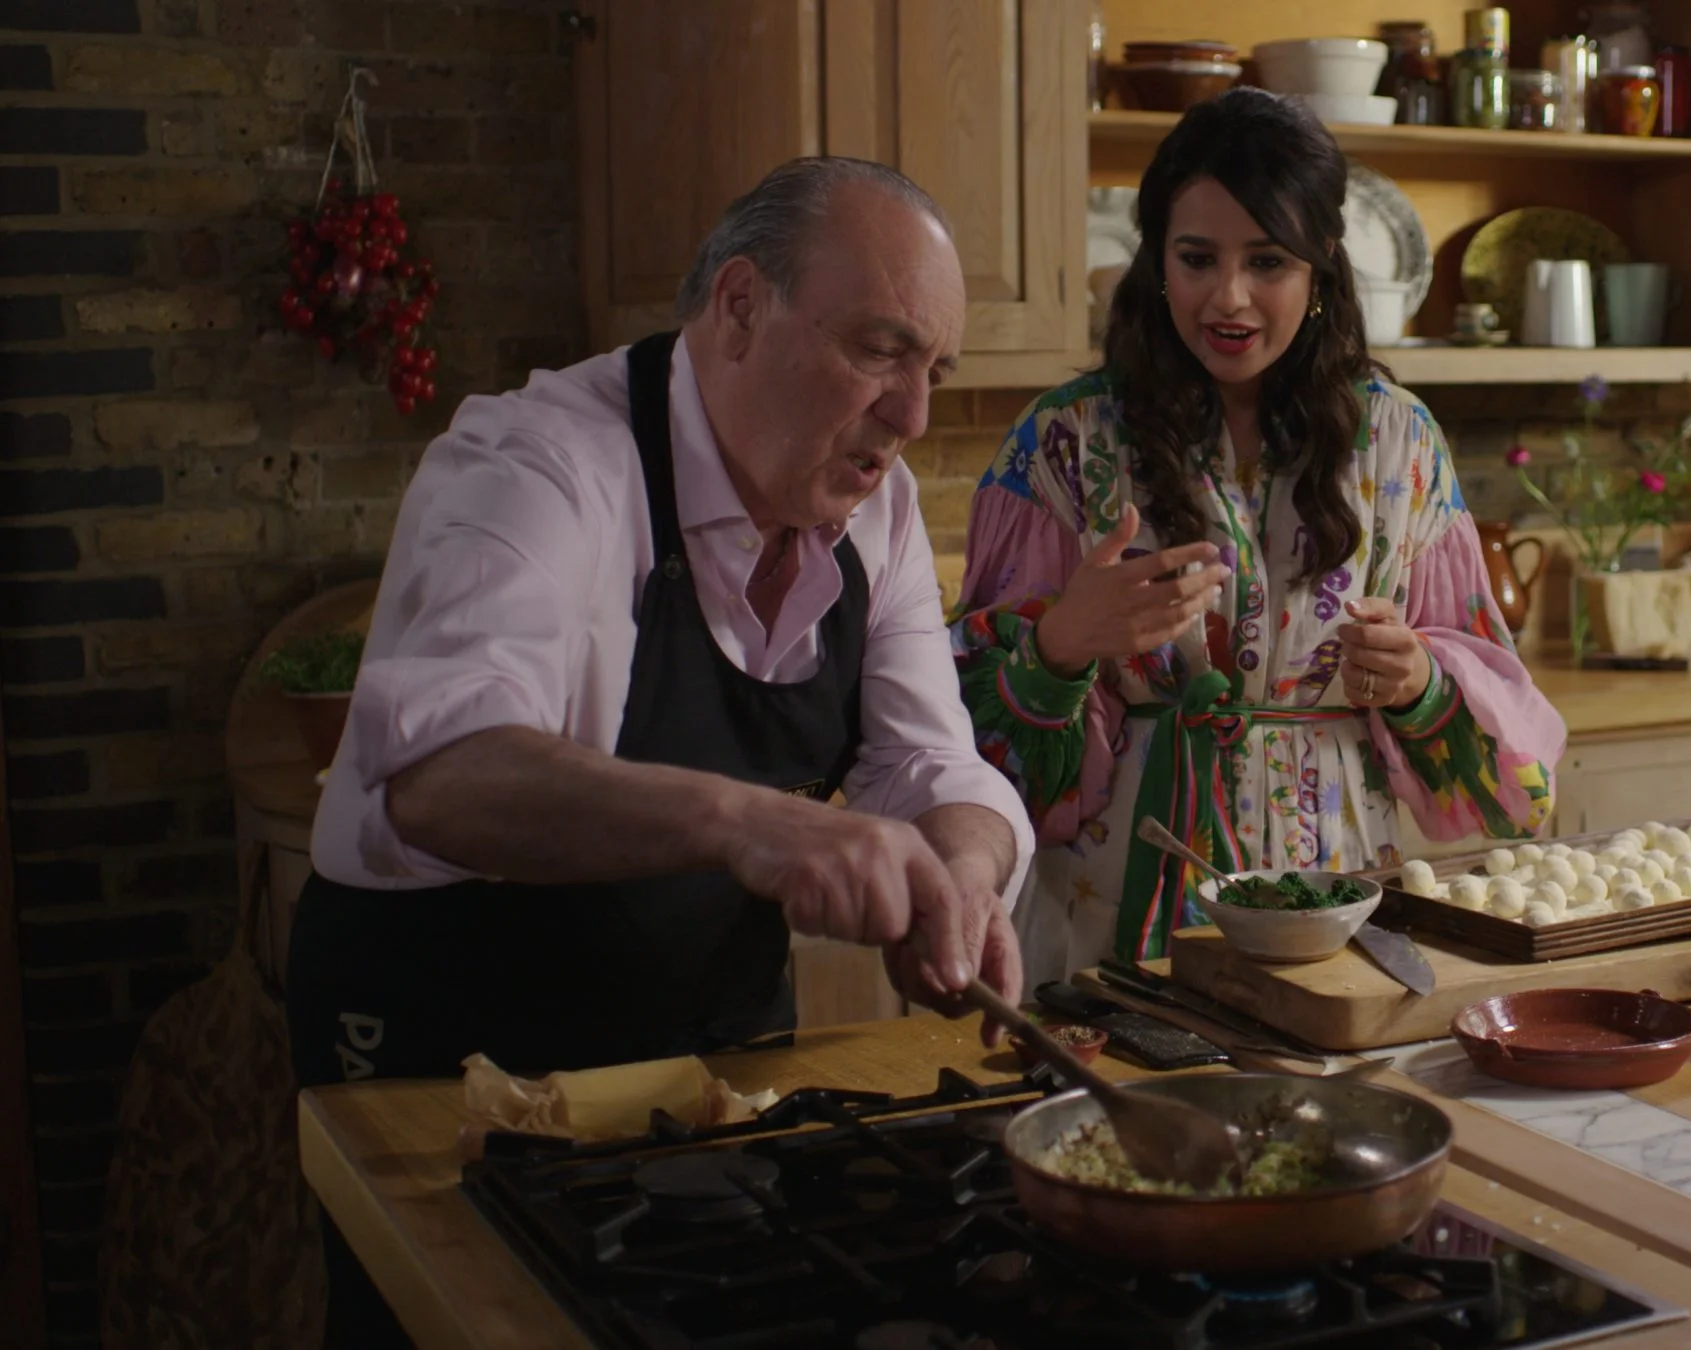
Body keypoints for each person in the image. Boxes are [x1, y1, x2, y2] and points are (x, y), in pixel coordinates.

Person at [288, 158, 1032, 1342]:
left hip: (708, 1049)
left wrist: (965, 879)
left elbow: (929, 764)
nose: (913, 417)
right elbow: (444, 776)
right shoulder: (535, 464)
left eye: (932, 370)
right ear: (738, 307)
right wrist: (753, 820)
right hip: (447, 1042)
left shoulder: (873, 511)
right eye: (880, 350)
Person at [952, 90, 1565, 982]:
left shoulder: (1398, 441)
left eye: (1268, 261)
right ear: (1156, 262)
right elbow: (948, 733)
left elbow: (1496, 721)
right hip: (1117, 894)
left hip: (1339, 887)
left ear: (1320, 271)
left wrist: (1418, 680)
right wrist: (1058, 645)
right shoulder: (1063, 444)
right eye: (1196, 258)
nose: (1228, 298)